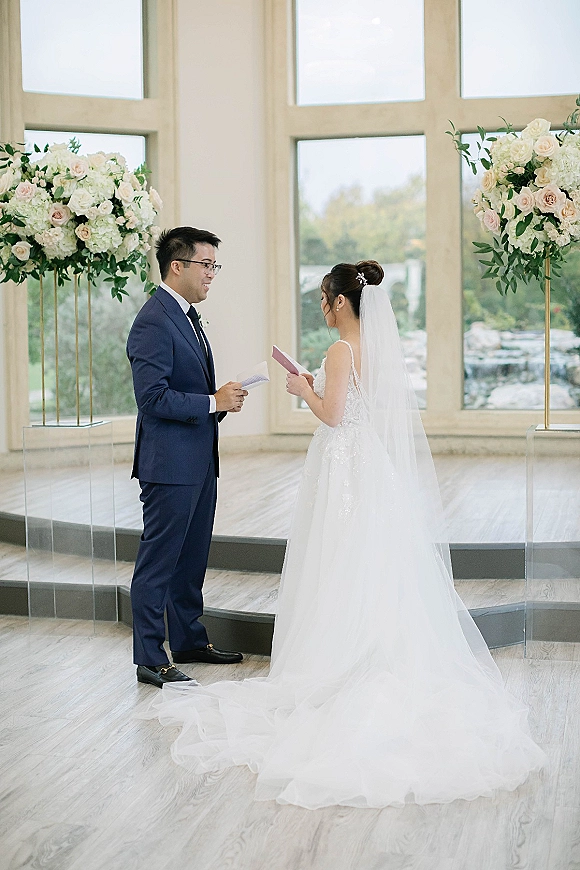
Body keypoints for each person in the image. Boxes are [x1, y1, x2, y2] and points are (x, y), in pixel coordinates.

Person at [144, 260, 546, 808]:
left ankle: (336, 662)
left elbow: (333, 416)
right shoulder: (378, 350)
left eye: (323, 299)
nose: (321, 308)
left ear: (339, 301)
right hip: (370, 467)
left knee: (334, 561)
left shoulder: (340, 351)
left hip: (341, 468)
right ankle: (373, 650)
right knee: (372, 562)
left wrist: (299, 388)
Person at [127, 226, 248, 689]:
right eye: (207, 265)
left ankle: (189, 639)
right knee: (159, 562)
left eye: (215, 266)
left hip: (198, 459)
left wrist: (219, 401)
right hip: (169, 465)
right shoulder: (153, 319)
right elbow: (152, 399)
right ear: (177, 267)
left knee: (191, 559)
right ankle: (150, 657)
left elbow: (192, 388)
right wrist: (213, 402)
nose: (212, 274)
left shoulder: (187, 315)